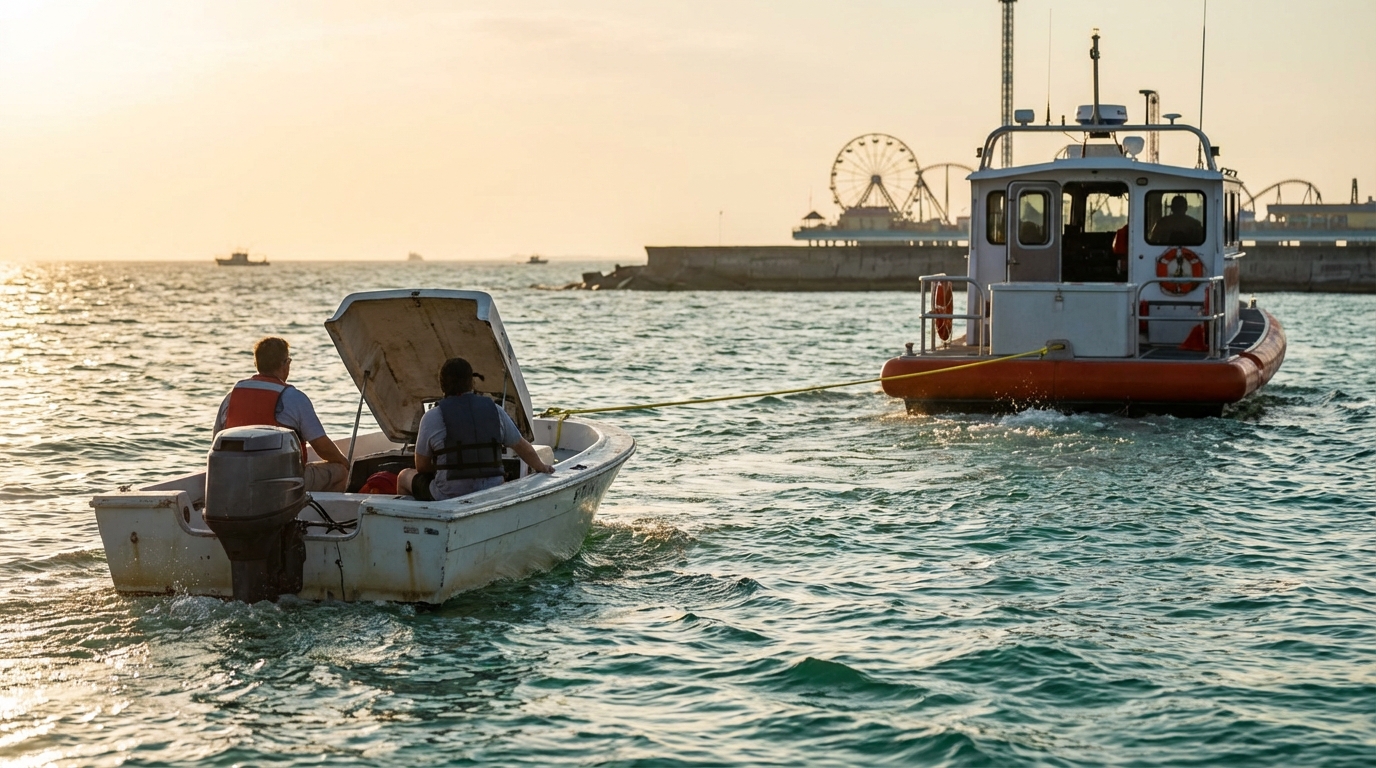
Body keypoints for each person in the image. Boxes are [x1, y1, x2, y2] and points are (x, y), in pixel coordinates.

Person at [398, 357, 554, 501]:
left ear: (441, 384)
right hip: (492, 490)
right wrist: (542, 467)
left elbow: (422, 467)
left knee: (403, 476)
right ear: (471, 382)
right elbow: (522, 447)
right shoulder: (495, 410)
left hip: (447, 496)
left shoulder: (432, 417)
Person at [214, 337, 349, 492]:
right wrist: (345, 463)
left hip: (239, 481)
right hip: (280, 485)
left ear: (256, 364)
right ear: (286, 364)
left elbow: (216, 442)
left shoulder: (231, 397)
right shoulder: (293, 397)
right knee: (340, 472)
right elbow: (322, 447)